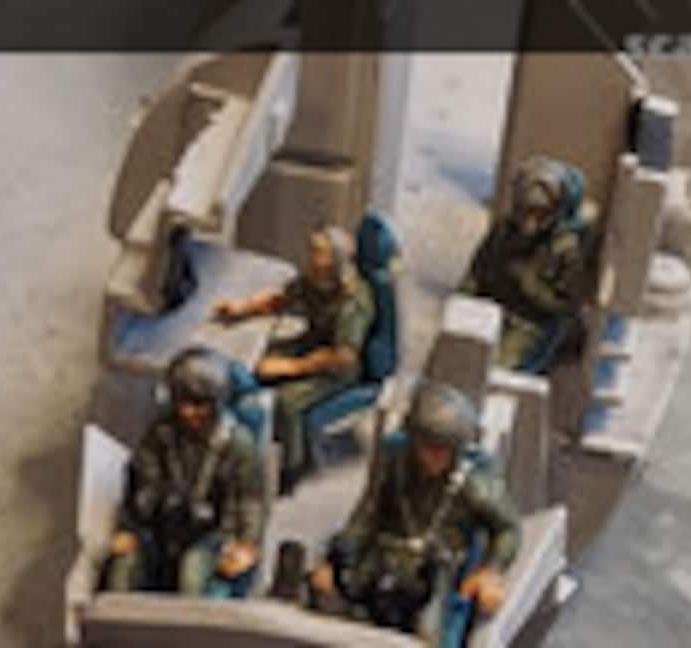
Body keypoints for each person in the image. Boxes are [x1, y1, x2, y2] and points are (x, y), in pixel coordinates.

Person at [308, 382, 521, 646]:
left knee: (429, 633)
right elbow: (368, 512)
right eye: (426, 446)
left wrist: (491, 571)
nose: (433, 457)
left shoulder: (473, 483)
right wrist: (338, 557)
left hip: (437, 568)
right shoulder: (396, 463)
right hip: (385, 555)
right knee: (331, 603)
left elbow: (507, 528)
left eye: (442, 450)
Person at [214, 225, 375, 494]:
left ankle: (293, 468)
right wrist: (243, 308)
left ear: (336, 261)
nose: (312, 258)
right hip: (314, 346)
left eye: (320, 253)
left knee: (288, 403)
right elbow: (284, 298)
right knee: (256, 361)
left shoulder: (352, 301)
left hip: (337, 369)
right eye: (313, 251)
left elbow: (344, 355)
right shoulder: (318, 279)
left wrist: (290, 367)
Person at [103, 347, 266, 599]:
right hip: (163, 530)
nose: (188, 412)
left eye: (199, 404)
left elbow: (250, 501)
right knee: (123, 566)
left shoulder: (237, 444)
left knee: (193, 572)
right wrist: (129, 527)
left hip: (214, 535)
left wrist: (247, 544)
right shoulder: (160, 436)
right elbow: (139, 483)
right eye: (182, 402)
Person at [461, 156, 598, 373]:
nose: (530, 223)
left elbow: (567, 306)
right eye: (526, 211)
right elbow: (478, 267)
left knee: (494, 369)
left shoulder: (566, 249)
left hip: (530, 324)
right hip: (491, 308)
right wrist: (464, 299)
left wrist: (530, 283)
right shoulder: (505, 229)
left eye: (540, 214)